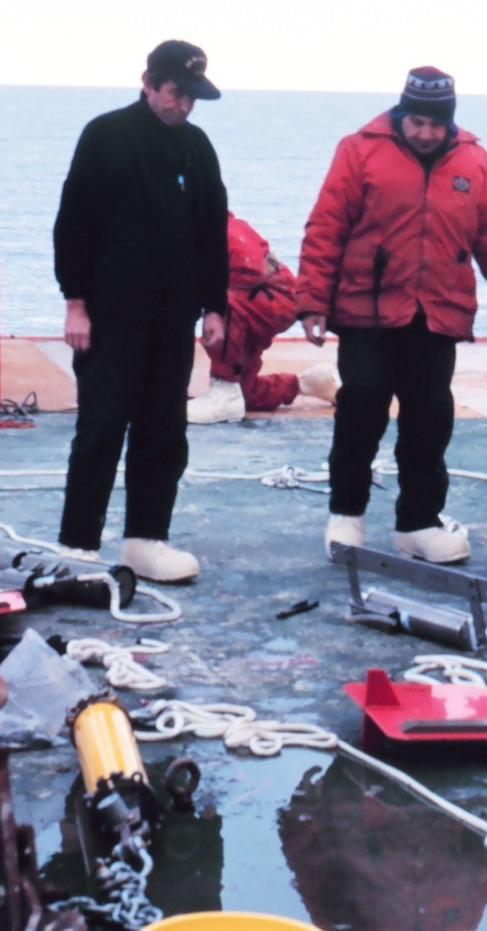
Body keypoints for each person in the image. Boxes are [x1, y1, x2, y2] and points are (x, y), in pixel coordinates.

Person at [297, 66, 487, 564]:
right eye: (417, 122)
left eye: (436, 124)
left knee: (430, 419)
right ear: (401, 114)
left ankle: (418, 522)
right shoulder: (358, 150)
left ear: (449, 121)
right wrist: (312, 300)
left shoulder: (474, 158)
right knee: (361, 410)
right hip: (369, 311)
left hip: (437, 315)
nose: (426, 133)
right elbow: (325, 228)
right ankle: (346, 516)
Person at [52, 40, 229, 583]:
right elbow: (72, 224)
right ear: (149, 83)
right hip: (110, 317)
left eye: (192, 97)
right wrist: (75, 303)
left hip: (172, 319)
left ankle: (145, 540)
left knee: (164, 432)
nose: (184, 107)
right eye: (176, 93)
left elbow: (211, 231)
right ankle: (78, 544)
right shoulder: (105, 136)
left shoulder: (197, 148)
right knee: (102, 426)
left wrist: (215, 306)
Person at [187, 213, 340, 425]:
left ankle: (225, 390)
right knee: (245, 394)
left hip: (269, 297)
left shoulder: (211, 223)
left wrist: (205, 300)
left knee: (219, 302)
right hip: (259, 300)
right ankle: (310, 383)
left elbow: (250, 267)